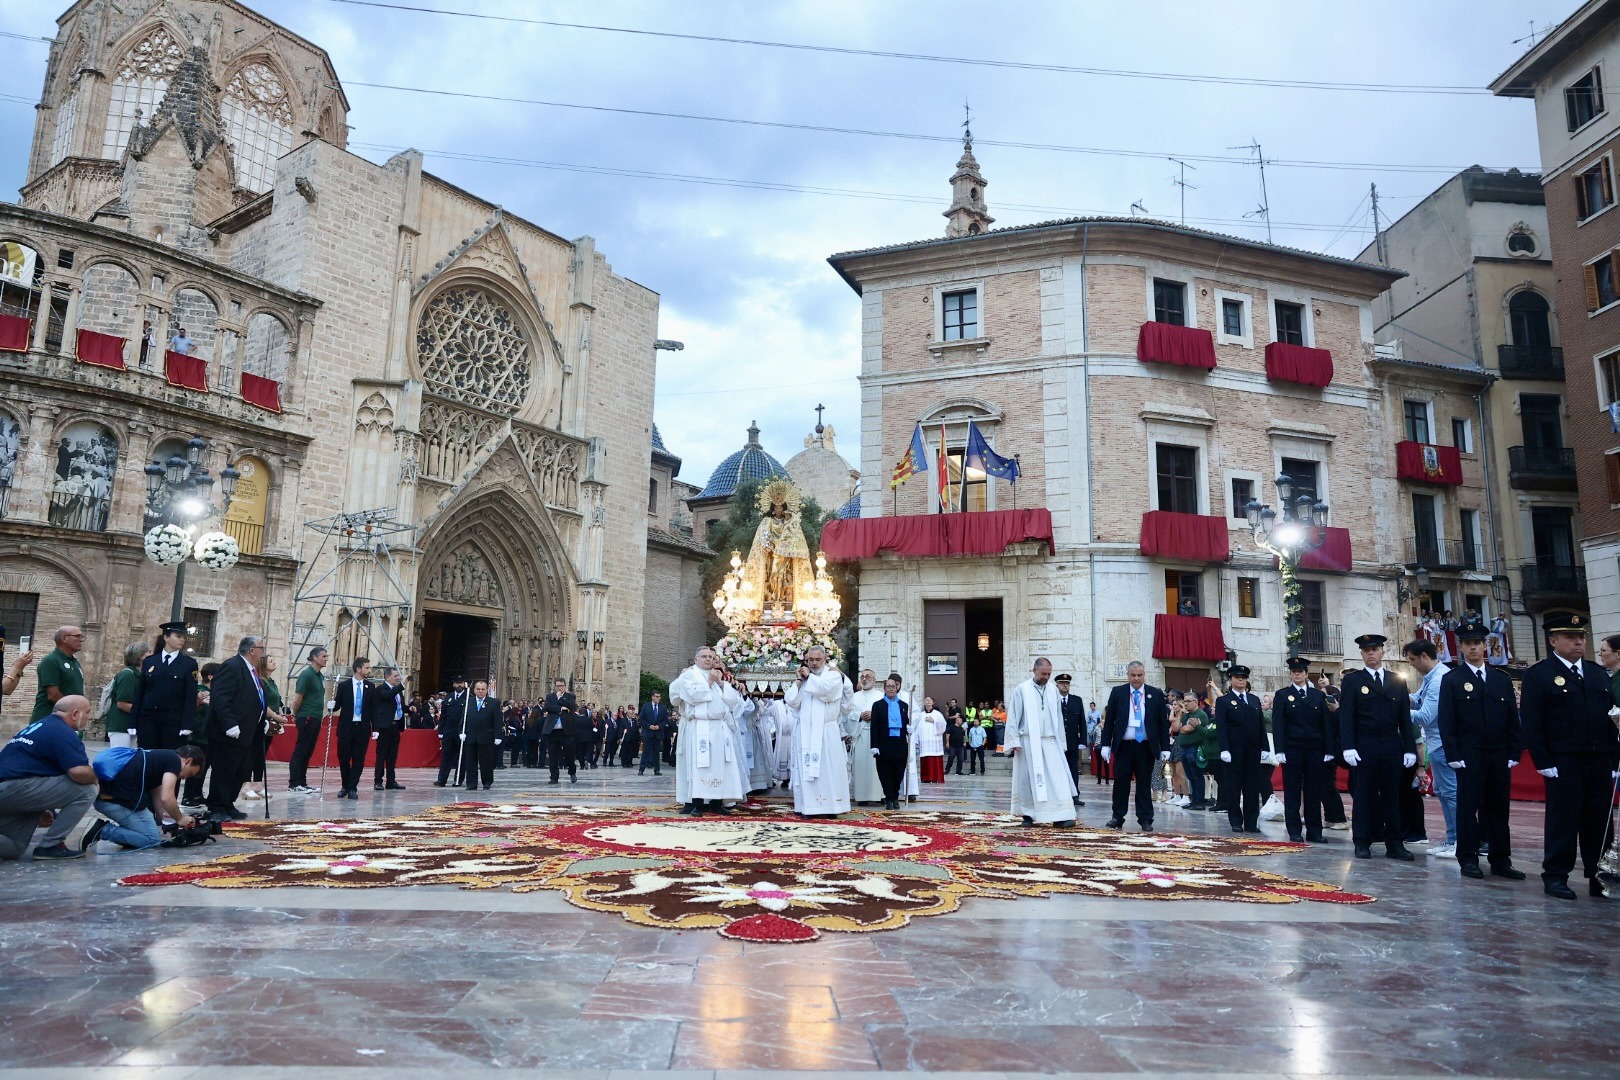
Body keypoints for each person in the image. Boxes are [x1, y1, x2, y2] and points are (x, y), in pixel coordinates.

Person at [1520, 613, 1618, 900]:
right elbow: (1533, 721)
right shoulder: (1540, 675)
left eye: (1582, 636)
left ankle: (1599, 876)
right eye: (1570, 637)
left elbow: (1611, 721)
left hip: (1599, 759)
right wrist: (1544, 761)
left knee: (1600, 822)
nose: (1578, 641)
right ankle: (1556, 874)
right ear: (1553, 640)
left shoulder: (1598, 673)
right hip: (1563, 760)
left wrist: (1614, 759)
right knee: (1563, 819)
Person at [1438, 619, 1525, 882]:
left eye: (1478, 643)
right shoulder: (1453, 679)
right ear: (1461, 647)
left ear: (1485, 646)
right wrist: (1453, 754)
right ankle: (1468, 858)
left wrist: (1514, 751)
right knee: (1468, 808)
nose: (1474, 648)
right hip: (1469, 754)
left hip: (1498, 753)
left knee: (1499, 808)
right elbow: (1447, 720)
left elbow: (1512, 717)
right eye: (1468, 644)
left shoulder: (1500, 679)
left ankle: (1501, 859)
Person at [1339, 633, 1418, 862]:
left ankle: (1395, 843)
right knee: (1364, 796)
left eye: (1374, 649)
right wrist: (1348, 746)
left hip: (1392, 746)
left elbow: (1404, 718)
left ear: (1383, 652)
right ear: (1362, 654)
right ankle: (1362, 841)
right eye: (1366, 650)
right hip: (1365, 746)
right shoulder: (1353, 681)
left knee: (1393, 796)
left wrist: (1410, 748)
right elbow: (1347, 717)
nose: (1370, 653)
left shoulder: (1397, 680)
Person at [0, 695, 98, 860]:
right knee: (87, 789)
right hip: (13, 789)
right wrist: (98, 777)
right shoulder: (63, 731)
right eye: (87, 713)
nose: (89, 717)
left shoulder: (39, 726)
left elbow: (37, 770)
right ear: (75, 714)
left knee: (13, 848)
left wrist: (47, 808)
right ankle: (51, 845)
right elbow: (78, 772)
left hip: (10, 792)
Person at [82, 744, 205, 852]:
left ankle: (112, 832)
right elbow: (166, 797)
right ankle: (102, 830)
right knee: (151, 839)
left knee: (145, 834)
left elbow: (158, 797)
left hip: (106, 800)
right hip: (116, 801)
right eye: (189, 774)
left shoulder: (161, 757)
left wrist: (167, 820)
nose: (184, 778)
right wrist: (180, 818)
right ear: (188, 761)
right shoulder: (175, 761)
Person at [670, 646, 747, 815]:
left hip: (718, 727)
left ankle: (716, 802)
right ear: (696, 659)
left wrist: (720, 683)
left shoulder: (719, 676)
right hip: (700, 726)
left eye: (711, 657)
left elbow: (733, 701)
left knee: (720, 765)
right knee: (699, 766)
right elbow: (693, 696)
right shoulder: (689, 675)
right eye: (704, 656)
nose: (708, 659)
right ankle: (697, 803)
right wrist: (710, 682)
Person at [1005, 658, 1078, 826]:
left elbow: (1059, 718)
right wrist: (1013, 740)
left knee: (1056, 779)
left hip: (1050, 742)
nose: (1046, 677)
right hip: (1028, 742)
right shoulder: (1021, 690)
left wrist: (1062, 742)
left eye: (1049, 674)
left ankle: (1060, 816)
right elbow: (1014, 716)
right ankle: (1028, 816)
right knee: (1029, 780)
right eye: (1043, 673)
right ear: (1034, 670)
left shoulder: (1053, 691)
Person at [1271, 658, 1337, 843]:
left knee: (1314, 791)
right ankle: (1294, 831)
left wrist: (1329, 749)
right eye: (1294, 671)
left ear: (1307, 673)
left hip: (1315, 749)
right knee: (1292, 791)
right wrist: (1280, 749)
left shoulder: (1317, 696)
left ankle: (1315, 831)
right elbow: (1278, 724)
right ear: (1290, 674)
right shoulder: (1283, 695)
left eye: (1300, 671)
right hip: (1292, 749)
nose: (1297, 674)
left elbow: (1326, 724)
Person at [1100, 661, 1170, 831]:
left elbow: (1162, 723)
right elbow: (1109, 721)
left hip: (1146, 746)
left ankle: (1145, 819)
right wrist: (1105, 745)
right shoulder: (1118, 692)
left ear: (1144, 674)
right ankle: (1117, 817)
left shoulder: (1155, 693)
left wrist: (1166, 747)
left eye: (1140, 675)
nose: (1136, 678)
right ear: (1128, 675)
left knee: (1144, 783)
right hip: (1124, 746)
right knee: (1121, 782)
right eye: (1133, 675)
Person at [783, 646, 851, 817]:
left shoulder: (833, 675)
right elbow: (791, 700)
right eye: (810, 660)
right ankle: (809, 807)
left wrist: (809, 677)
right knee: (806, 770)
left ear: (825, 658)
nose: (814, 663)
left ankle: (831, 808)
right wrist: (799, 681)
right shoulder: (804, 678)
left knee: (829, 769)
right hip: (805, 730)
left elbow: (826, 691)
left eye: (817, 660)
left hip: (827, 730)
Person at [204, 636, 268, 820]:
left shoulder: (251, 671)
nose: (263, 653)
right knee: (224, 770)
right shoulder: (232, 666)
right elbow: (220, 697)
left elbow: (254, 699)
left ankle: (228, 803)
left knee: (239, 770)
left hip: (247, 731)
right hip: (229, 732)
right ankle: (216, 806)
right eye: (261, 648)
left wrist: (261, 719)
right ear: (252, 650)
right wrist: (229, 724)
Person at [1403, 638, 1452, 856]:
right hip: (1436, 743)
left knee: (1451, 793)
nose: (1411, 664)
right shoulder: (1430, 678)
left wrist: (1397, 711)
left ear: (1424, 656)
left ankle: (1459, 840)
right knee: (1442, 791)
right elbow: (1417, 699)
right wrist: (1398, 697)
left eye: (1413, 659)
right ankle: (1452, 839)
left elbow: (1425, 716)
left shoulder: (1439, 679)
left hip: (1443, 743)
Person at [1214, 666, 1267, 834]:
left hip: (1252, 751)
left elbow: (1260, 726)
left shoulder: (1253, 700)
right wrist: (1224, 749)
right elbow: (1221, 727)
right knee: (1233, 788)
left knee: (1252, 788)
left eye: (1244, 677)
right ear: (1231, 679)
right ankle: (1236, 821)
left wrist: (1265, 747)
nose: (1241, 680)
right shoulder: (1224, 701)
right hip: (1233, 751)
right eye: (1237, 677)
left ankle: (1251, 822)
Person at [130, 621, 197, 750]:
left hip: (173, 721)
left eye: (183, 636)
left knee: (169, 760)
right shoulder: (150, 661)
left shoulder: (188, 664)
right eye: (178, 636)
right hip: (148, 720)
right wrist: (133, 721)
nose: (182, 639)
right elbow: (140, 693)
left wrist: (187, 724)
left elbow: (190, 696)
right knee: (148, 759)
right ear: (166, 637)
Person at [241, 653, 288, 801]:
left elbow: (278, 700)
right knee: (252, 752)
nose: (274, 663)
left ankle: (258, 784)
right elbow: (262, 703)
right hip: (260, 720)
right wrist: (275, 716)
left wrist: (281, 715)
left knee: (261, 754)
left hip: (270, 722)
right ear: (263, 664)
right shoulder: (260, 681)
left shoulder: (271, 681)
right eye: (271, 661)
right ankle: (246, 785)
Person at [286, 647, 328, 795]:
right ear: (315, 658)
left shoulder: (319, 676)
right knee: (301, 750)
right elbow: (298, 697)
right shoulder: (307, 674)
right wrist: (295, 713)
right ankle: (294, 783)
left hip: (316, 716)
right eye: (323, 656)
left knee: (308, 751)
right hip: (307, 716)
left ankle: (302, 782)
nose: (326, 658)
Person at [332, 657, 372, 801]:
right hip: (346, 727)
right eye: (367, 667)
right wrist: (331, 704)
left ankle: (352, 787)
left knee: (358, 759)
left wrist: (375, 728)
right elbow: (337, 705)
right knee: (343, 757)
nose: (369, 670)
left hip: (362, 728)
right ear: (358, 669)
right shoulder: (344, 686)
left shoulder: (370, 686)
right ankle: (345, 785)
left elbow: (372, 709)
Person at [869, 674, 910, 809]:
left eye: (893, 686)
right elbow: (874, 727)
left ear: (897, 688)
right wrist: (874, 745)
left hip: (899, 744)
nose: (891, 689)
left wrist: (909, 728)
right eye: (888, 687)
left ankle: (895, 796)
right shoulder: (878, 705)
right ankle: (889, 798)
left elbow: (906, 723)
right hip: (883, 744)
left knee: (898, 773)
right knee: (885, 773)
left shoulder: (904, 705)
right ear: (884, 689)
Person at [31, 626, 86, 722]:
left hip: (70, 719)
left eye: (81, 637)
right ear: (64, 638)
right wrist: (73, 711)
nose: (81, 640)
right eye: (77, 636)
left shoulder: (74, 662)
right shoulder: (51, 661)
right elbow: (53, 695)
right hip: (50, 719)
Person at [848, 669, 885, 806]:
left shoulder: (881, 696)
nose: (864, 679)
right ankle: (862, 796)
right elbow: (848, 714)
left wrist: (874, 715)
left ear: (874, 680)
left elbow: (886, 714)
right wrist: (860, 715)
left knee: (877, 766)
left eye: (868, 677)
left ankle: (880, 795)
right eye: (862, 677)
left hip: (877, 736)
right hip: (860, 734)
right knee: (861, 765)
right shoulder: (855, 696)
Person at [1171, 690, 1211, 812]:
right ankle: (1193, 800)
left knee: (1196, 775)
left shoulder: (1201, 714)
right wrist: (1178, 714)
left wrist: (1182, 728)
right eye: (1184, 701)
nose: (1185, 704)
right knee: (1190, 775)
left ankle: (1199, 801)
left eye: (1188, 701)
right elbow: (1176, 728)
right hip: (1184, 748)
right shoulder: (1187, 715)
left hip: (1195, 748)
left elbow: (1185, 730)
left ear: (1195, 702)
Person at [369, 668, 406, 791]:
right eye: (395, 676)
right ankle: (378, 781)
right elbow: (388, 696)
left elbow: (400, 706)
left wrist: (409, 708)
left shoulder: (398, 691)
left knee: (392, 756)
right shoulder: (381, 689)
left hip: (396, 726)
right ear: (388, 677)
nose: (397, 678)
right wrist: (402, 685)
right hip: (385, 727)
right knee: (382, 755)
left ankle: (391, 781)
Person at [108, 640, 149, 748]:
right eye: (149, 652)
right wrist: (146, 713)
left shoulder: (141, 675)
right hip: (121, 726)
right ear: (140, 656)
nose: (152, 655)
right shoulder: (128, 675)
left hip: (132, 726)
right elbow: (122, 703)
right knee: (121, 759)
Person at [462, 680, 501, 790]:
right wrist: (462, 731)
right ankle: (471, 783)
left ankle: (487, 781)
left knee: (486, 761)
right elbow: (463, 718)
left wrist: (498, 736)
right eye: (478, 689)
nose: (480, 691)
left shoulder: (493, 702)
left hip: (486, 736)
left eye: (482, 689)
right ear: (474, 690)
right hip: (470, 736)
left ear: (486, 691)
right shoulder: (469, 701)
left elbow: (497, 720)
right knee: (470, 761)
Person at [1055, 674, 1087, 806]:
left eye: (1067, 683)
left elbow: (1082, 722)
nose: (1064, 685)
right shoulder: (1053, 700)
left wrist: (1083, 741)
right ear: (1057, 684)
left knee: (1073, 769)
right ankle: (1059, 796)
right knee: (1057, 769)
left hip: (1073, 742)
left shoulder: (1076, 700)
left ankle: (1074, 795)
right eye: (1062, 683)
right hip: (1057, 742)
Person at [540, 678, 578, 785]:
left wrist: (560, 699)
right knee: (553, 755)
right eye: (557, 685)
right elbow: (547, 707)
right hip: (553, 730)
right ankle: (554, 777)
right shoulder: (550, 696)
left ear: (565, 686)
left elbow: (571, 706)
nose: (559, 687)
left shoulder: (570, 696)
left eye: (561, 685)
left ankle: (572, 772)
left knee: (569, 754)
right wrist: (561, 709)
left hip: (566, 730)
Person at [915, 695, 946, 784]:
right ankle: (926, 778)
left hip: (934, 740)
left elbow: (943, 726)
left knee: (935, 760)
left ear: (933, 703)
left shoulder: (937, 714)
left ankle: (936, 778)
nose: (928, 701)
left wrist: (934, 721)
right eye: (926, 700)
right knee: (925, 759)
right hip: (924, 740)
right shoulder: (920, 715)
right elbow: (917, 728)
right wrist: (916, 740)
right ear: (924, 703)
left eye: (930, 700)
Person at [637, 691, 668, 776]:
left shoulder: (663, 707)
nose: (658, 698)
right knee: (646, 751)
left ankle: (657, 769)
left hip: (658, 733)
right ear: (652, 697)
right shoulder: (646, 706)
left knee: (656, 752)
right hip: (648, 732)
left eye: (659, 697)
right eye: (657, 696)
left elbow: (665, 720)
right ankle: (641, 769)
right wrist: (649, 726)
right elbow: (641, 719)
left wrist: (659, 726)